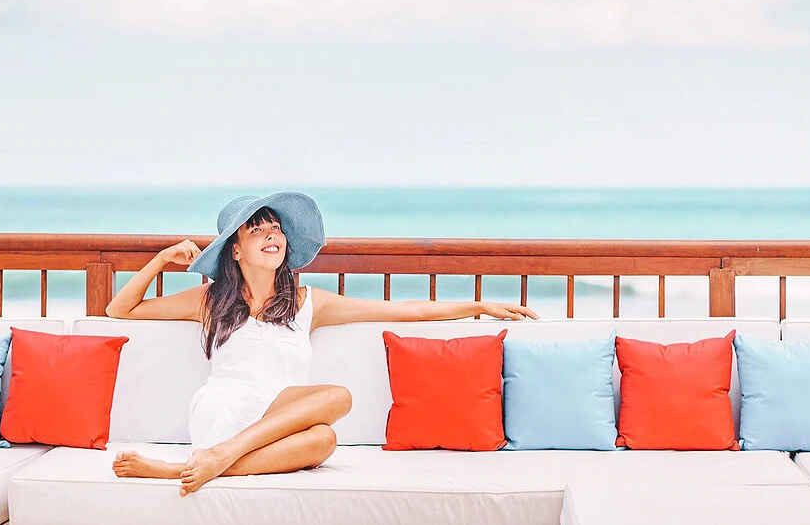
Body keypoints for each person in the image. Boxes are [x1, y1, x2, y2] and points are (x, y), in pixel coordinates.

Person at [104, 191, 538, 496]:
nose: (271, 235)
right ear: (235, 250)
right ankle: (217, 454)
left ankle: (189, 467)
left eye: (275, 229)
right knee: (336, 398)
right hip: (225, 410)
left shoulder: (311, 302)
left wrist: (479, 305)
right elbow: (120, 311)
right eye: (256, 231)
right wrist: (160, 259)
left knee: (324, 439)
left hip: (279, 422)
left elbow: (402, 310)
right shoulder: (210, 299)